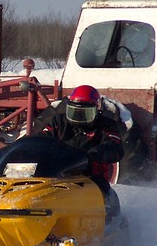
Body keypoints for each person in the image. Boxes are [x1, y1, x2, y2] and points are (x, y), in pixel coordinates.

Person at [34, 85, 125, 220]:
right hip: (57, 172)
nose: (78, 118)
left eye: (85, 113)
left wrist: (95, 154)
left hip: (90, 176)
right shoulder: (59, 121)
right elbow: (41, 139)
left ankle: (103, 225)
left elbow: (115, 146)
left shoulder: (106, 125)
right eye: (74, 112)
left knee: (101, 195)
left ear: (96, 111)